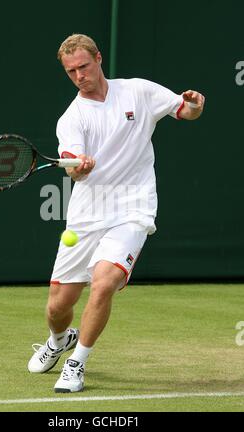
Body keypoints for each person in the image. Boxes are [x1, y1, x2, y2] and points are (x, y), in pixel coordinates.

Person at [28, 34, 205, 392]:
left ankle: (76, 363)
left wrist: (195, 105)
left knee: (105, 282)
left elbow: (184, 111)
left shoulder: (138, 91)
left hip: (133, 209)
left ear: (99, 59)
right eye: (71, 71)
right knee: (57, 307)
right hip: (87, 216)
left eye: (83, 66)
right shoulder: (71, 118)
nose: (79, 75)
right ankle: (58, 339)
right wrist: (79, 167)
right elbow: (72, 166)